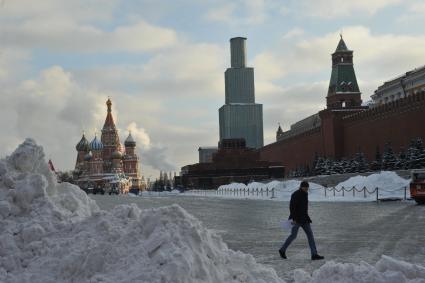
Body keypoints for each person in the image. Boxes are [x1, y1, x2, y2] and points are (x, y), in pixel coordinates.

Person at [279, 181, 324, 260]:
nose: (307, 189)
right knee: (293, 236)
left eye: (307, 187)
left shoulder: (305, 194)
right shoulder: (296, 194)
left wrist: (306, 217)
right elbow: (292, 207)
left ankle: (314, 254)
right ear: (301, 187)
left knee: (310, 236)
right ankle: (282, 250)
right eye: (305, 187)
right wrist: (294, 219)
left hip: (305, 219)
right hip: (296, 219)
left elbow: (303, 208)